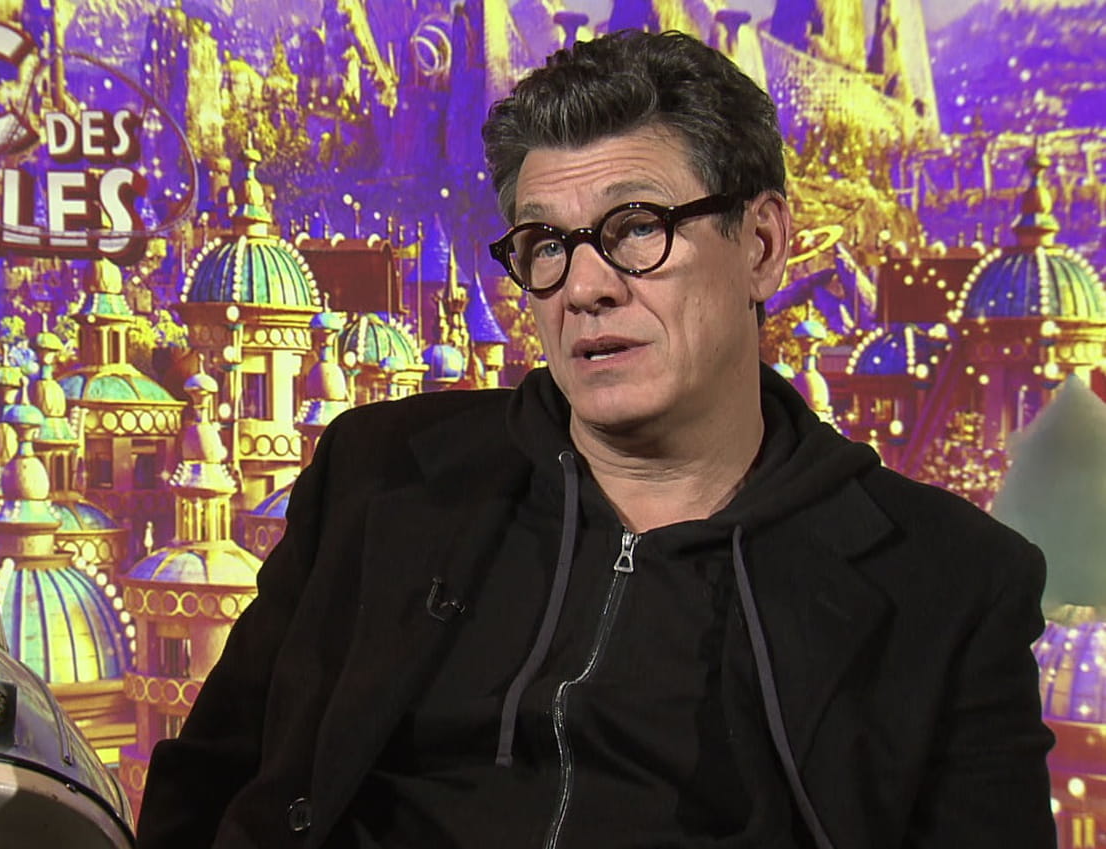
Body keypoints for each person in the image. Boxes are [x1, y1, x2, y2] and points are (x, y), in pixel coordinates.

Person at [135, 30, 1055, 849]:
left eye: (636, 228)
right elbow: (206, 784)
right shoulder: (379, 475)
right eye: (546, 243)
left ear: (762, 245)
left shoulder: (945, 585)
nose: (585, 287)